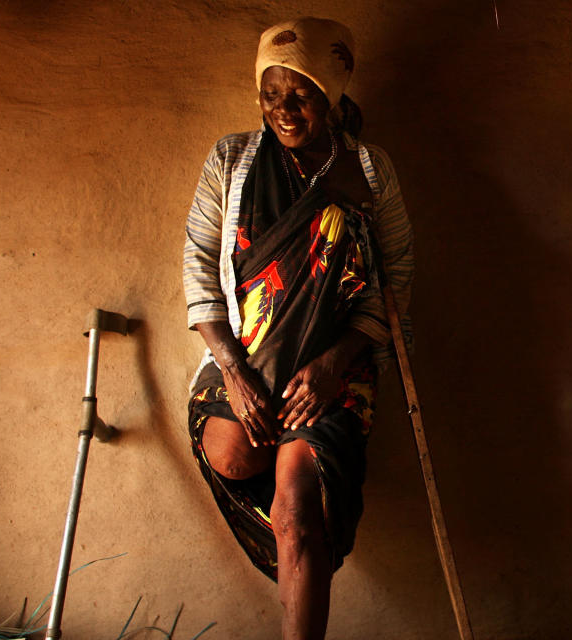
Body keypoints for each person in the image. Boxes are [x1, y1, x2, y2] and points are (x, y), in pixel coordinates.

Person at [182, 17, 413, 640]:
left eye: (301, 94)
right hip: (246, 361)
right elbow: (199, 266)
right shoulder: (231, 160)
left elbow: (396, 279)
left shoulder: (368, 171)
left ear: (332, 93)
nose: (283, 110)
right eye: (270, 94)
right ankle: (286, 485)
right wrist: (232, 370)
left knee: (296, 513)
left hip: (333, 373)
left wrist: (337, 359)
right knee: (232, 451)